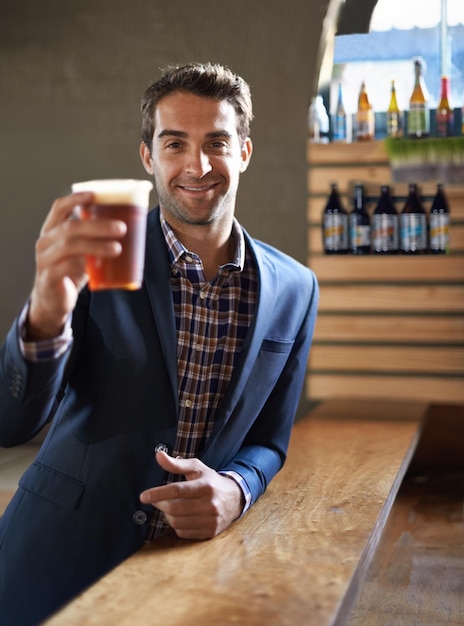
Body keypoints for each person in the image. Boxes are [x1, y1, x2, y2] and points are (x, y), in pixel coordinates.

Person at [0, 62, 319, 624]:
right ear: (149, 157)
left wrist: (235, 490)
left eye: (216, 142)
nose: (197, 166)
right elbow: (12, 422)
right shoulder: (97, 258)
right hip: (55, 559)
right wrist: (47, 312)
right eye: (176, 143)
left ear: (244, 151)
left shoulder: (295, 287)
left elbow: (271, 441)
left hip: (187, 570)